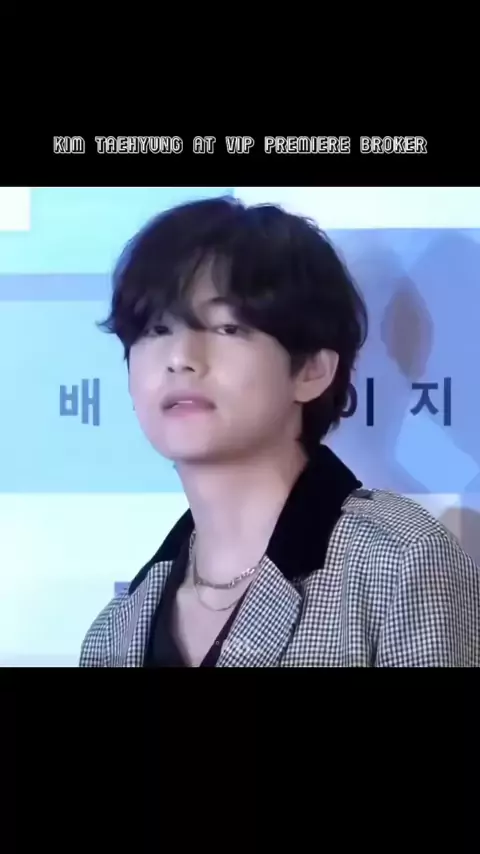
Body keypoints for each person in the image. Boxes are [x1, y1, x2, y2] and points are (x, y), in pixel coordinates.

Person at [80, 195, 480, 667]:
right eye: (156, 329)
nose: (180, 358)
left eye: (227, 328)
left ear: (312, 370)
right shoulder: (114, 632)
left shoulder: (399, 563)